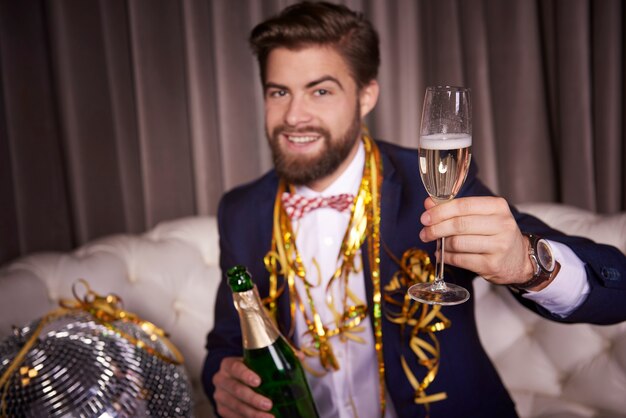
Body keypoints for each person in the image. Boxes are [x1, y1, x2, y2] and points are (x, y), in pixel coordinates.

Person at [201, 2, 626, 417]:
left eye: (321, 91)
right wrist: (222, 379)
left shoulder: (428, 182)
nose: (294, 115)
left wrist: (530, 265)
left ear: (366, 96)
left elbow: (616, 290)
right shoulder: (239, 210)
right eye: (279, 92)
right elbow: (225, 341)